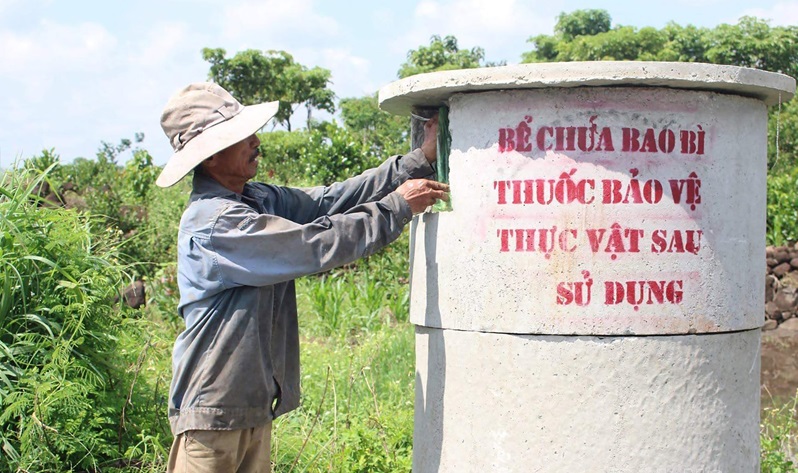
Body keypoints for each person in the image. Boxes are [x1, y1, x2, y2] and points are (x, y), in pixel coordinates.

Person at [155, 82, 448, 473]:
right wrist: (396, 207)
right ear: (210, 158)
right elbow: (313, 244)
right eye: (241, 137)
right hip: (213, 412)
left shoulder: (255, 198)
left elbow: (329, 201)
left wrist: (416, 161)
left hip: (252, 406)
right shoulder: (217, 224)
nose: (255, 142)